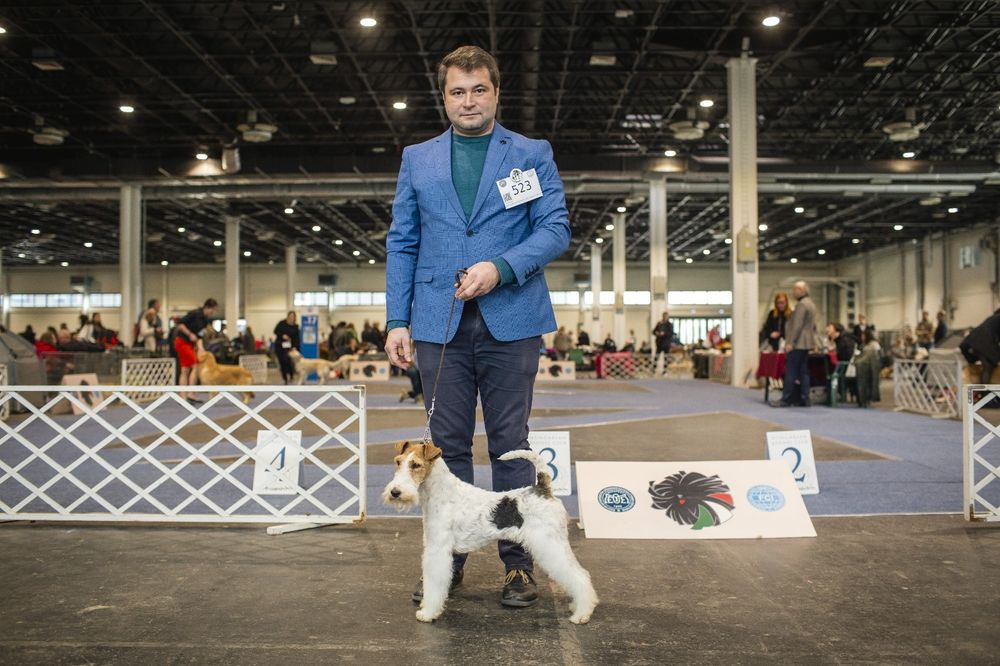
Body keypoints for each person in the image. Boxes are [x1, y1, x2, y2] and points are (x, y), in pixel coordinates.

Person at [384, 45, 570, 609]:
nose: (469, 101)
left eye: (479, 89)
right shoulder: (417, 158)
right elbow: (403, 241)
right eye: (458, 91)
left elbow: (555, 228)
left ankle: (518, 567)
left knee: (511, 444)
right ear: (444, 98)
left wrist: (502, 267)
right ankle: (450, 562)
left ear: (496, 92)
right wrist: (397, 319)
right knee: (447, 446)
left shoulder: (531, 153)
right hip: (436, 321)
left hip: (512, 317)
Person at [777, 281, 817, 407]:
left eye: (795, 289)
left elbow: (797, 325)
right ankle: (805, 398)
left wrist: (790, 342)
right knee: (803, 371)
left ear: (802, 290)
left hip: (798, 343)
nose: (793, 292)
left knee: (791, 371)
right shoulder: (811, 304)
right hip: (806, 343)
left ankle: (786, 398)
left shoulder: (802, 305)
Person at [173, 298, 218, 404]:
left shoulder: (205, 320)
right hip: (182, 342)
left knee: (188, 368)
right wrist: (189, 334)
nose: (214, 312)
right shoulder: (194, 313)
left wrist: (201, 348)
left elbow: (199, 336)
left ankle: (189, 394)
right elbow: (180, 324)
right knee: (192, 367)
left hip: (191, 344)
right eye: (213, 309)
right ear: (207, 307)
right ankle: (186, 394)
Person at [960, 309, 1000, 384]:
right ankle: (984, 389)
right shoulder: (997, 319)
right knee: (988, 366)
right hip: (983, 342)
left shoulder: (993, 318)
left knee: (988, 365)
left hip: (974, 341)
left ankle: (983, 388)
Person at [273, 311, 301, 384]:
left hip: (289, 347)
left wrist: (295, 347)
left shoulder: (296, 326)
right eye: (290, 316)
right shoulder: (282, 323)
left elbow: (297, 338)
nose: (292, 318)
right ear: (288, 316)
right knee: (282, 362)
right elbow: (275, 331)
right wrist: (282, 335)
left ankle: (291, 375)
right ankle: (285, 378)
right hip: (280, 346)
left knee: (289, 361)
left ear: (295, 318)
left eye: (293, 316)